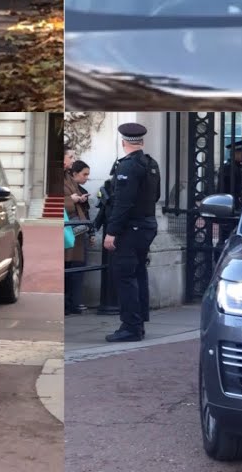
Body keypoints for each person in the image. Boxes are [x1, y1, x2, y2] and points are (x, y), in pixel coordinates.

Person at [103, 123, 160, 343]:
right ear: (141, 142)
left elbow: (122, 203)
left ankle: (131, 327)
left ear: (123, 142)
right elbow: (156, 196)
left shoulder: (128, 166)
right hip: (147, 224)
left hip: (131, 228)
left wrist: (112, 232)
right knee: (138, 274)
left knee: (125, 277)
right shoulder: (151, 164)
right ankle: (139, 323)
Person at [64, 160, 93, 315]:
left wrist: (81, 199)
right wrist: (72, 200)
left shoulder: (70, 179)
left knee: (76, 268)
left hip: (77, 229)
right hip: (69, 229)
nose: (87, 177)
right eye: (70, 156)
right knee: (71, 269)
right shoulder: (65, 179)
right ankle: (70, 304)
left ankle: (73, 303)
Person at [216, 141, 242, 214]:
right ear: (234, 154)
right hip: (229, 203)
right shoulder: (229, 167)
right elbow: (235, 185)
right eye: (241, 153)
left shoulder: (236, 167)